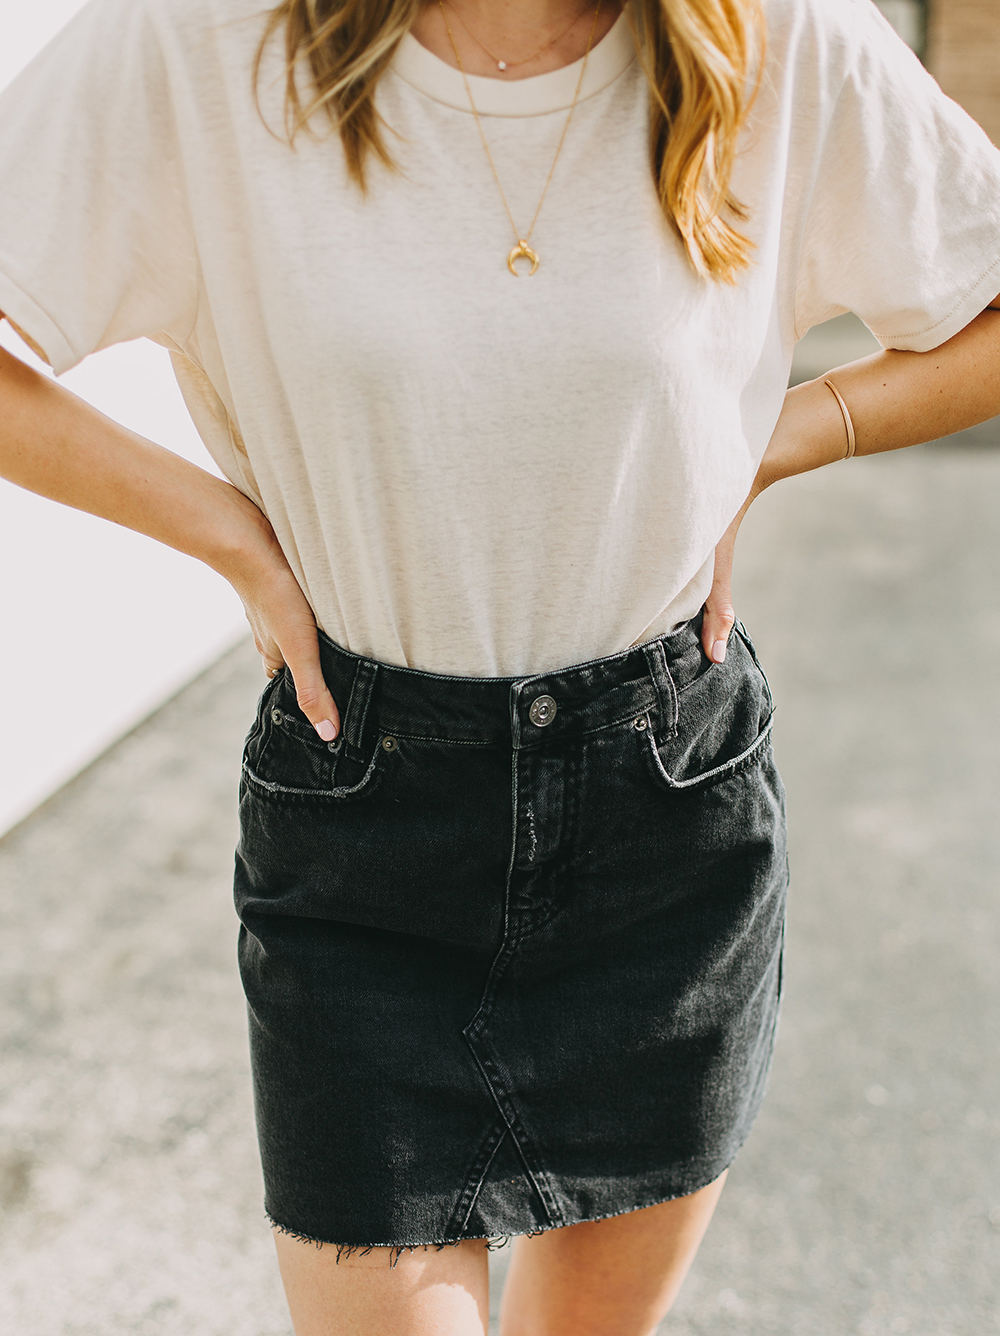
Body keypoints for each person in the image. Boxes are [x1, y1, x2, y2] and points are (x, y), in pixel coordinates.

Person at [1, 0, 999, 1331]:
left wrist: (779, 437)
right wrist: (230, 536)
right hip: (367, 831)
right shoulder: (207, 47)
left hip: (663, 818)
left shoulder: (774, 41)